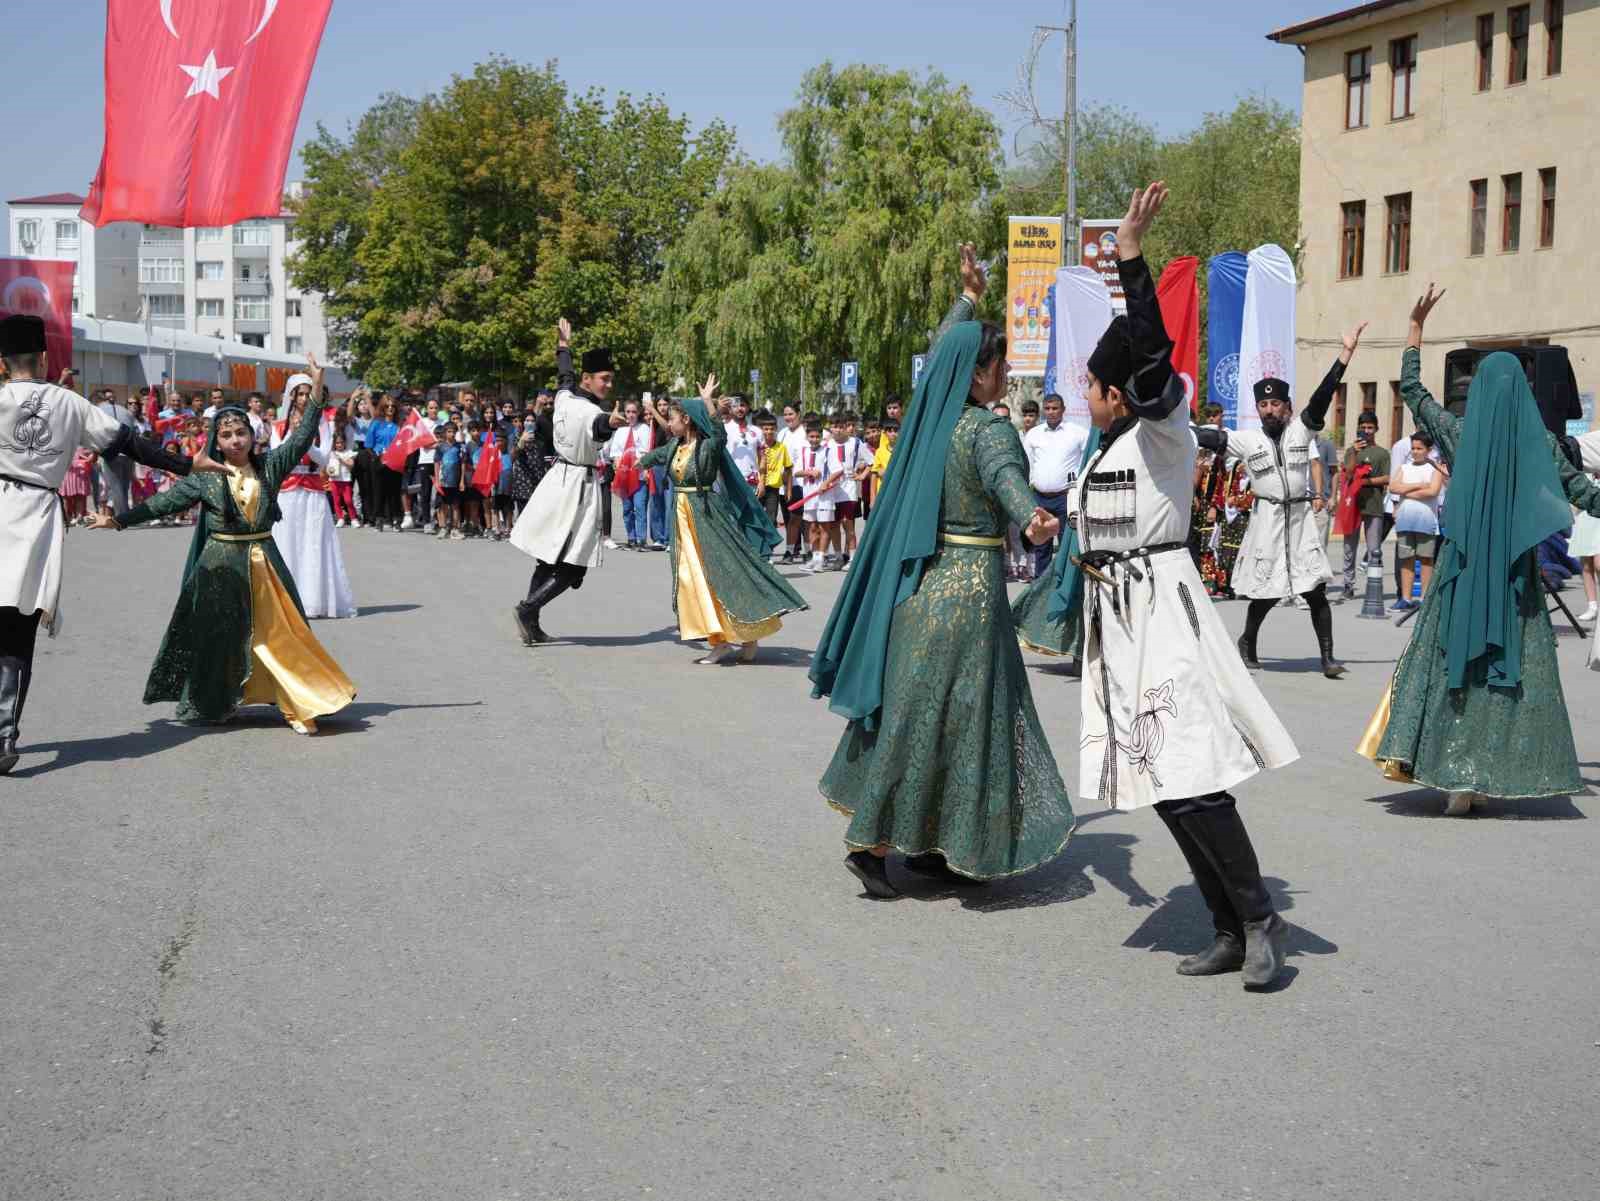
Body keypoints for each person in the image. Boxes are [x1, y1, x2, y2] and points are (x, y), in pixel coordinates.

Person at [1070, 184, 1297, 988]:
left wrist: (1130, 260)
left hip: (1165, 611)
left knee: (1195, 775)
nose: (1086, 398)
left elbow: (1158, 365)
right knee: (1163, 783)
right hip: (1122, 624)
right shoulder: (1099, 453)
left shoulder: (1161, 432)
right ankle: (1227, 925)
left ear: (1113, 391)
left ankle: (1261, 916)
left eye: (1093, 388)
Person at [809, 241, 1072, 899]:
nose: (1006, 374)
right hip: (972, 594)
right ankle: (882, 843)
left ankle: (918, 839)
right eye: (1000, 365)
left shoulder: (933, 419)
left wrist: (969, 299)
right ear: (979, 374)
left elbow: (940, 359)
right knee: (964, 716)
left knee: (915, 709)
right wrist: (1034, 518)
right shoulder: (987, 429)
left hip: (923, 586)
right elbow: (1010, 482)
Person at [1359, 285, 1600, 814]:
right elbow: (1584, 492)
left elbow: (1416, 392)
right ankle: (1491, 772)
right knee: (1508, 670)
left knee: (1451, 662)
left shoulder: (1458, 432)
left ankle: (1451, 777)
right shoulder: (1537, 445)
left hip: (1459, 571)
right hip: (1516, 578)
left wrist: (1416, 329)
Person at [88, 354, 356, 736]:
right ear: (217, 439)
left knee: (280, 634)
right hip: (219, 566)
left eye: (240, 433)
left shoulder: (270, 465)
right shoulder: (205, 477)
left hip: (264, 563)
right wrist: (117, 520)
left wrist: (314, 389)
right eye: (226, 435)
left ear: (252, 435)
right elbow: (163, 503)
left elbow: (301, 437)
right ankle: (221, 700)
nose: (234, 441)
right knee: (222, 638)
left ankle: (298, 702)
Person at [0, 316, 215, 773]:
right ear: (42, 358)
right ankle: (4, 735)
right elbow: (129, 444)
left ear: (2, 362)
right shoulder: (70, 404)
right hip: (35, 520)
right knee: (17, 633)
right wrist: (186, 465)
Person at [1197, 324, 1366, 679]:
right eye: (1264, 404)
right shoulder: (1246, 440)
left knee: (1315, 590)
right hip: (1268, 521)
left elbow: (1323, 395)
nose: (1270, 410)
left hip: (1300, 520)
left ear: (1287, 406)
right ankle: (1248, 641)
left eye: (1275, 404)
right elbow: (1206, 436)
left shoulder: (1302, 429)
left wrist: (1345, 356)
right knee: (1267, 592)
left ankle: (1328, 658)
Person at [635, 383, 807, 664]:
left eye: (674, 419)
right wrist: (639, 462)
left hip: (705, 516)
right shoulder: (676, 446)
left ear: (687, 420)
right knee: (693, 579)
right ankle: (720, 639)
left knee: (723, 573)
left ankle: (744, 637)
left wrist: (708, 402)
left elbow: (717, 432)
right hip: (682, 520)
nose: (670, 423)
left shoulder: (708, 445)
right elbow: (657, 455)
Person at [508, 319, 626, 644]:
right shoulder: (588, 412)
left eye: (610, 379)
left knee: (548, 556)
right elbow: (599, 425)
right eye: (604, 379)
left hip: (558, 480)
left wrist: (564, 347)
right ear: (588, 379)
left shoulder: (563, 398)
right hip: (577, 487)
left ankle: (530, 619)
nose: (608, 385)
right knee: (573, 565)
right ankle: (528, 609)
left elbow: (564, 376)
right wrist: (612, 423)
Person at [271, 376, 356, 619]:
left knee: (313, 542)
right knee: (287, 541)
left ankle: (313, 600)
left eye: (308, 394)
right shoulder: (279, 425)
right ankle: (285, 598)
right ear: (291, 396)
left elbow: (323, 458)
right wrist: (294, 433)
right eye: (299, 394)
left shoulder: (322, 423)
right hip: (287, 489)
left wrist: (304, 437)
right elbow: (277, 455)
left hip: (313, 489)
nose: (304, 399)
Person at [1023, 391, 1090, 581]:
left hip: (1065, 498)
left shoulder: (1078, 433)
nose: (1051, 412)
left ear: (1063, 410)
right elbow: (1027, 464)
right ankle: (1041, 585)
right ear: (1043, 410)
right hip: (1039, 497)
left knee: (1067, 543)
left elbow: (1085, 463)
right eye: (1047, 408)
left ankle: (1066, 583)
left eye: (1055, 408)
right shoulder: (1033, 435)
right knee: (1041, 545)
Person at [1386, 431, 1444, 609]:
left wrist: (1406, 492)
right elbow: (1393, 487)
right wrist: (1418, 485)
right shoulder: (1404, 468)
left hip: (1426, 521)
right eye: (1413, 448)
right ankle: (1406, 597)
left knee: (1426, 559)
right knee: (1406, 559)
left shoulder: (1435, 468)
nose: (1415, 452)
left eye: (1419, 448)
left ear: (1429, 449)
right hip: (1405, 521)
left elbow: (1433, 491)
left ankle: (1426, 598)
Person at [1340, 411, 1390, 599]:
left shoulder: (1382, 453)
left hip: (1373, 504)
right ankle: (1348, 584)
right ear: (1358, 429)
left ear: (1376, 429)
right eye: (1363, 428)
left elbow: (1387, 478)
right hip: (1352, 504)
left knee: (1374, 547)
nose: (1367, 431)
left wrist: (1367, 482)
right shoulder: (1351, 451)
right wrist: (1354, 452)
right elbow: (1349, 473)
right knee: (1348, 547)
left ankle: (1374, 584)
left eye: (1370, 427)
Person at [607, 399, 656, 550]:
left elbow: (648, 450)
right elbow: (615, 453)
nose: (631, 415)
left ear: (638, 413)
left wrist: (641, 462)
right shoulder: (620, 431)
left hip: (639, 475)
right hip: (624, 476)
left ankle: (641, 539)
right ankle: (631, 538)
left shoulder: (645, 429)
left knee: (640, 507)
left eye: (634, 412)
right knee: (627, 509)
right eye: (628, 412)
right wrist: (617, 461)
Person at [777, 403, 810, 562]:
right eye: (786, 414)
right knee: (790, 518)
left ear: (798, 415)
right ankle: (792, 550)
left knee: (804, 519)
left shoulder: (806, 432)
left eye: (791, 414)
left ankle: (808, 550)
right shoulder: (782, 433)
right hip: (785, 483)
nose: (788, 418)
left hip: (804, 483)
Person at [756, 409, 791, 546]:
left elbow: (788, 468)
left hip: (773, 489)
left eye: (771, 429)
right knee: (756, 517)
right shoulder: (757, 446)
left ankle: (768, 550)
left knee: (771, 519)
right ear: (761, 430)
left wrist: (788, 490)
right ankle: (757, 546)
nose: (769, 432)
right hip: (758, 486)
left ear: (776, 429)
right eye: (765, 429)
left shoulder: (781, 447)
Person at [327, 434, 357, 527]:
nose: (339, 445)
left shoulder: (349, 452)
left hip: (345, 480)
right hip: (334, 480)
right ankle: (340, 518)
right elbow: (326, 465)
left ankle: (353, 518)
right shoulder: (331, 453)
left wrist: (341, 460)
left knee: (348, 500)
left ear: (345, 443)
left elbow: (351, 465)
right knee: (337, 501)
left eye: (341, 443)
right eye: (337, 443)